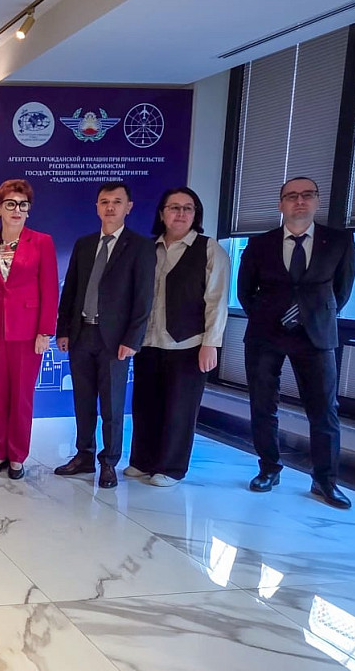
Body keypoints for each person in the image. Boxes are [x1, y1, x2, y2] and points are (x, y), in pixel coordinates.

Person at [238, 177, 355, 509]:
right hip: (266, 334)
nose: (299, 201)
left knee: (324, 410)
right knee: (263, 406)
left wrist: (312, 316)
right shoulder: (260, 243)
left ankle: (325, 480)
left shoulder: (339, 241)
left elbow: (342, 290)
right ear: (281, 204)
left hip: (315, 335)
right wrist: (267, 315)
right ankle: (269, 469)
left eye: (307, 195)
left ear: (316, 201)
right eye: (291, 196)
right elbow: (245, 291)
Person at [54, 181, 155, 489]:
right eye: (104, 202)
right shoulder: (84, 244)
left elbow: (143, 299)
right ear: (97, 207)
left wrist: (132, 339)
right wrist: (63, 329)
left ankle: (109, 461)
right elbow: (70, 290)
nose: (110, 207)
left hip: (115, 340)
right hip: (82, 333)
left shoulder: (140, 246)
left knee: (111, 406)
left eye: (117, 201)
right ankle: (83, 455)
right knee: (83, 401)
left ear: (128, 207)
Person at [126, 187, 228, 487]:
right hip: (148, 341)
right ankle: (142, 460)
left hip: (188, 343)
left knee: (179, 409)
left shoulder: (209, 249)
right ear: (162, 213)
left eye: (188, 208)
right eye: (174, 207)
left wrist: (211, 343)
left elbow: (217, 300)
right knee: (145, 405)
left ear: (196, 214)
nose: (180, 213)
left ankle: (171, 468)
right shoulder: (147, 248)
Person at [0, 179, 58, 481]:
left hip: (28, 333)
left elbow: (50, 289)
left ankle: (17, 456)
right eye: (10, 204)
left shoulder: (42, 242)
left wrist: (45, 332)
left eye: (23, 205)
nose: (17, 210)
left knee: (22, 396)